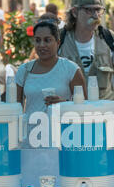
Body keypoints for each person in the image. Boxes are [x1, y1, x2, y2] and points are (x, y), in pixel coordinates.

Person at [15, 19, 86, 147]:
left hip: (64, 140)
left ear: (58, 43)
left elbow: (86, 107)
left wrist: (64, 104)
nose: (42, 45)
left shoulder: (71, 69)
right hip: (31, 141)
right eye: (38, 40)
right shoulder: (24, 70)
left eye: (47, 40)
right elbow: (15, 108)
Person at [58, 0, 114, 101]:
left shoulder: (109, 38)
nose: (95, 15)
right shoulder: (60, 39)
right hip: (71, 113)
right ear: (74, 12)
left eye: (98, 9)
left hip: (105, 113)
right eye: (88, 10)